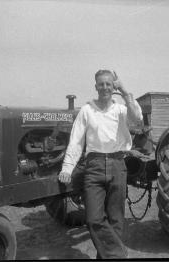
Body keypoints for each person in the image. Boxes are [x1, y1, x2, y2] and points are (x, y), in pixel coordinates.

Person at [58, 69, 143, 259]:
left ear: (113, 87)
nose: (105, 87)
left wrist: (124, 91)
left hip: (117, 164)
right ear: (96, 86)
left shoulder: (121, 110)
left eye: (108, 84)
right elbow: (76, 141)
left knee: (115, 219)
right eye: (101, 84)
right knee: (93, 218)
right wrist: (67, 167)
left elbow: (137, 119)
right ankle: (118, 255)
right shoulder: (87, 110)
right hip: (94, 166)